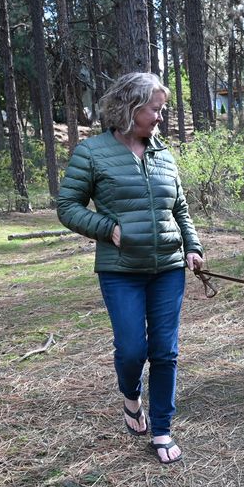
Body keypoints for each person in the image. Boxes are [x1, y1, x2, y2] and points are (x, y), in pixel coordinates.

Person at [57, 72, 205, 465]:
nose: (161, 117)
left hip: (168, 269)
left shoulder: (163, 154)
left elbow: (180, 209)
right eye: (155, 109)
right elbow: (67, 207)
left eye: (162, 109)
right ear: (129, 107)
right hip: (120, 269)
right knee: (131, 349)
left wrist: (192, 247)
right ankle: (129, 394)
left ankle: (162, 429)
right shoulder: (91, 153)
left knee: (165, 351)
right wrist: (108, 228)